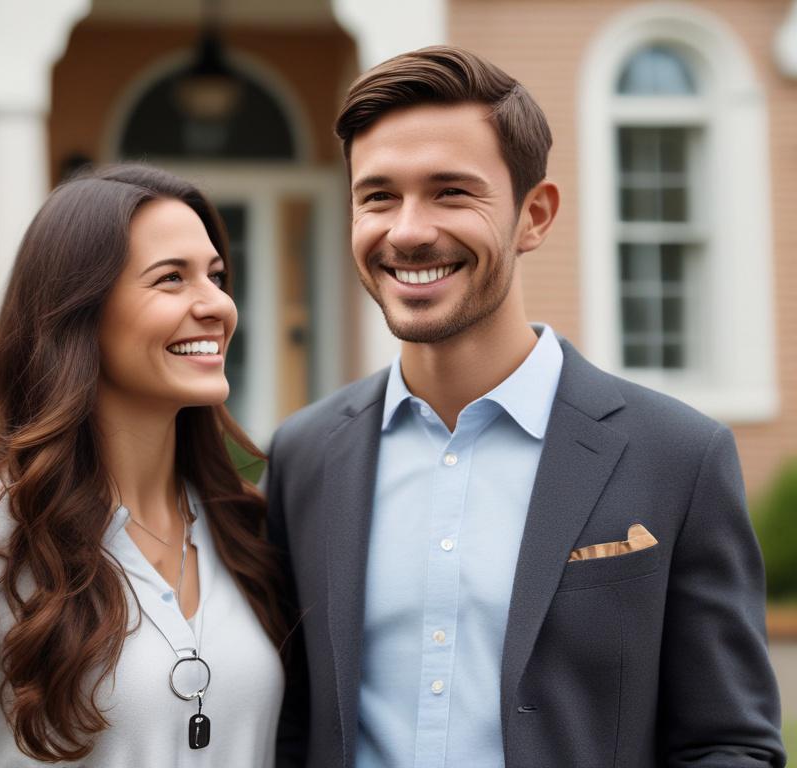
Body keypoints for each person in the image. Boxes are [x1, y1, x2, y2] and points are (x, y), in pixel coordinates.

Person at [268, 46, 785, 767]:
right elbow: (289, 728)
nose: (409, 230)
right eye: (378, 196)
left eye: (452, 192)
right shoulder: (303, 457)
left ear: (533, 216)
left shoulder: (679, 456)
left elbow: (728, 743)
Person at [0, 164, 287, 767]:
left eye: (216, 276)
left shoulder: (243, 526)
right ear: (79, 314)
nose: (217, 304)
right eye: (172, 279)